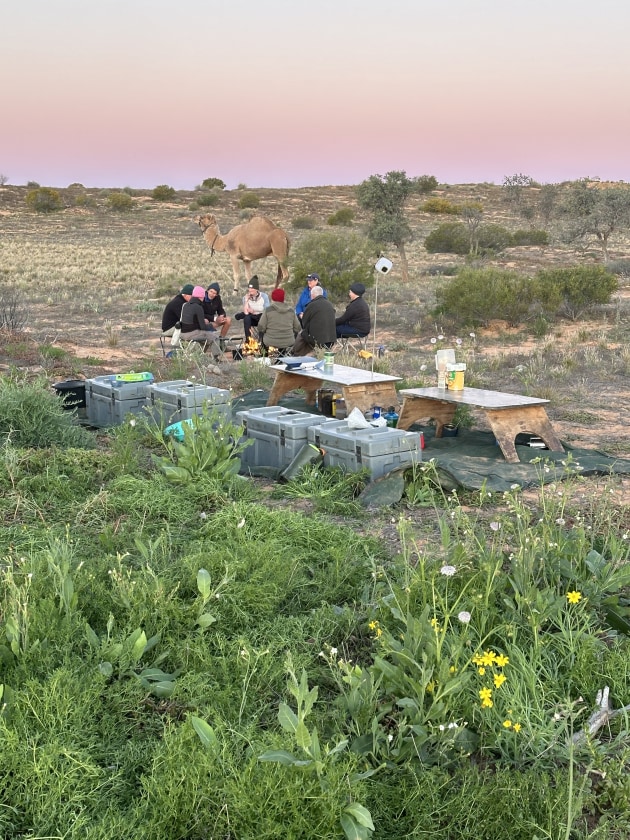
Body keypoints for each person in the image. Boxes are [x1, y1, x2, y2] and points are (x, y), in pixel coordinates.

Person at [291, 286, 336, 356]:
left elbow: (304, 323)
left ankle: (296, 354)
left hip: (317, 340)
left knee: (302, 333)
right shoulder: (330, 305)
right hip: (331, 339)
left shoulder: (311, 305)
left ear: (312, 295)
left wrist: (303, 316)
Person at [181, 286, 222, 359]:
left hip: (183, 334)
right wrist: (210, 326)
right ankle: (216, 359)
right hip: (192, 334)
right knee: (214, 337)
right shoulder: (198, 307)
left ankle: (199, 356)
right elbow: (202, 327)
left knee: (205, 338)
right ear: (201, 296)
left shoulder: (186, 305)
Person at [258, 288, 301, 353]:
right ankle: (283, 355)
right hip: (289, 341)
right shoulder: (291, 311)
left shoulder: (268, 310)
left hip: (270, 341)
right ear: (283, 298)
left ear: (273, 298)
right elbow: (298, 327)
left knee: (261, 333)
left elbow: (261, 327)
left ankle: (264, 357)